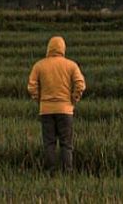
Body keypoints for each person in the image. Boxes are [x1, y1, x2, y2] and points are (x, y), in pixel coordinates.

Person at [27, 35, 86, 173]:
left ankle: (51, 172)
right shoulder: (71, 65)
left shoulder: (39, 65)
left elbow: (31, 86)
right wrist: (73, 99)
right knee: (66, 144)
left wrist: (39, 99)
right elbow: (80, 85)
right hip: (66, 110)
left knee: (49, 144)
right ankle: (67, 172)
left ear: (49, 48)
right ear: (63, 48)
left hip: (46, 111)